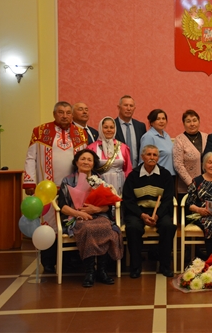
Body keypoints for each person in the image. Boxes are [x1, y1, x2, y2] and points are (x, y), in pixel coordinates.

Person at [23, 101, 87, 273]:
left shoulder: (80, 133)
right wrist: (29, 181)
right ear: (54, 114)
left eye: (68, 112)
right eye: (61, 112)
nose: (64, 115)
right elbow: (31, 157)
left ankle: (70, 261)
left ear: (72, 115)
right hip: (47, 189)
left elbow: (86, 159)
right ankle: (49, 262)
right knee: (48, 224)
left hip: (73, 189)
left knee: (71, 223)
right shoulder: (40, 131)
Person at [57, 149, 123, 287]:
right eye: (83, 159)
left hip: (99, 215)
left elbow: (108, 206)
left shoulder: (100, 179)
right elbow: (62, 206)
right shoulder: (68, 180)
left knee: (106, 227)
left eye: (89, 160)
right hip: (77, 216)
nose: (86, 162)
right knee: (87, 228)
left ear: (93, 164)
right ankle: (89, 271)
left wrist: (97, 209)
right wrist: (80, 213)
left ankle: (102, 270)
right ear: (76, 162)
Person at [122, 145, 177, 278]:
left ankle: (165, 266)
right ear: (142, 157)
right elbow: (128, 200)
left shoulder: (165, 175)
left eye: (155, 155)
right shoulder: (133, 176)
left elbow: (168, 199)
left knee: (167, 226)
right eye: (149, 154)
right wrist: (141, 215)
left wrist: (157, 215)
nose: (152, 157)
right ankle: (135, 267)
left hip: (159, 212)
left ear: (158, 158)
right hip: (138, 212)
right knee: (133, 227)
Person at [87, 117, 132, 195]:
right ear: (100, 129)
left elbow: (128, 169)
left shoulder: (123, 147)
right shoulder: (92, 148)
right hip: (100, 184)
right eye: (105, 127)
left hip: (120, 182)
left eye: (111, 127)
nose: (109, 130)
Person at [173, 110, 208, 199]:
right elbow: (178, 165)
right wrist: (192, 184)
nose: (192, 124)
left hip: (207, 185)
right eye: (188, 121)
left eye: (194, 120)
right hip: (187, 188)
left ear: (199, 122)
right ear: (183, 123)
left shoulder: (206, 137)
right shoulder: (179, 139)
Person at [140, 109, 176, 176]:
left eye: (163, 118)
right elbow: (144, 159)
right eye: (158, 119)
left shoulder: (166, 135)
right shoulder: (148, 136)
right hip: (157, 176)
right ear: (151, 122)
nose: (161, 121)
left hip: (170, 175)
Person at [115, 95, 147, 168]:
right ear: (119, 107)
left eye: (131, 106)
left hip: (137, 170)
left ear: (134, 108)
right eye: (125, 105)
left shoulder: (140, 126)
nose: (128, 108)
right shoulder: (112, 126)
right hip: (118, 170)